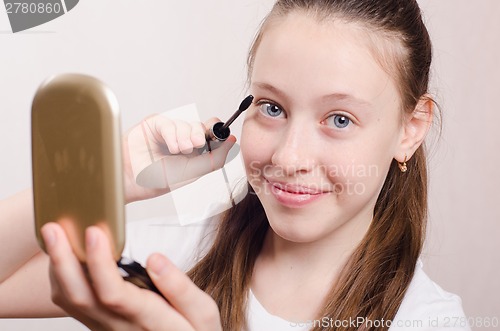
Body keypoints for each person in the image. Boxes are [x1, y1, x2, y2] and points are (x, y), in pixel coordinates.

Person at [0, 0, 471, 330]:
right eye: (271, 107)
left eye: (340, 119)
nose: (288, 157)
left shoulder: (430, 320)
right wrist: (113, 177)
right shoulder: (174, 257)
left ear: (410, 129)